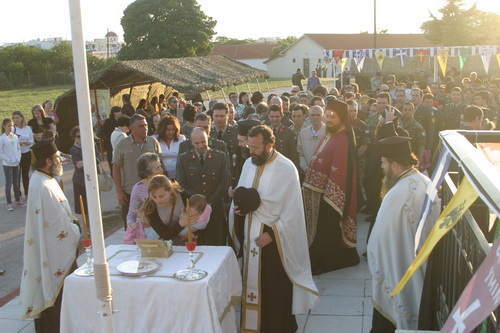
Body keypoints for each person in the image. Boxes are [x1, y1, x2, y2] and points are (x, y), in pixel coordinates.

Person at [229, 124, 319, 332]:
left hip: (274, 241)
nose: (250, 151)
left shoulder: (286, 169)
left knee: (274, 288)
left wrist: (272, 234)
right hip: (250, 234)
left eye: (255, 147)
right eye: (249, 146)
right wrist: (239, 210)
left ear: (269, 145)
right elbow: (243, 196)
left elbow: (293, 212)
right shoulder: (248, 164)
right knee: (252, 288)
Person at [367, 136, 439, 332]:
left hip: (399, 268)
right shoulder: (424, 180)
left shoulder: (397, 193)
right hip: (419, 265)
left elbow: (381, 239)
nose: (382, 167)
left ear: (395, 164)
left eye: (383, 163)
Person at [20, 139, 81, 333]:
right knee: (57, 298)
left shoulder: (44, 179)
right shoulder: (43, 186)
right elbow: (58, 226)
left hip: (54, 251)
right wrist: (76, 229)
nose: (61, 161)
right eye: (57, 158)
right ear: (48, 161)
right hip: (55, 255)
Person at [303, 99, 360, 274]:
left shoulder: (343, 139)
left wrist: (331, 197)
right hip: (319, 193)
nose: (328, 119)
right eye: (327, 115)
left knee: (328, 231)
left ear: (342, 118)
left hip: (330, 197)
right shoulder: (330, 133)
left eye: (332, 116)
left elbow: (340, 171)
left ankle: (325, 260)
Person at [176, 128, 229, 245]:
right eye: (197, 143)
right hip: (194, 212)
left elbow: (224, 182)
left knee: (215, 245)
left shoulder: (220, 157)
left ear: (208, 140)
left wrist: (209, 203)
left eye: (203, 142)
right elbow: (182, 184)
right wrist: (198, 203)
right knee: (196, 245)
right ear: (191, 143)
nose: (201, 146)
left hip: (215, 209)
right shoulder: (184, 159)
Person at [113, 114, 161, 230]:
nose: (145, 128)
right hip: (130, 193)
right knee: (131, 226)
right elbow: (116, 168)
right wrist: (119, 192)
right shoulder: (122, 144)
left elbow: (161, 165)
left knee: (154, 226)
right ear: (131, 128)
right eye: (140, 126)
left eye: (146, 125)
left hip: (152, 192)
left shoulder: (153, 142)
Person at [142, 175, 200, 241]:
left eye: (161, 196)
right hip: (165, 242)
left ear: (170, 190)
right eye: (154, 197)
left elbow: (200, 212)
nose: (158, 200)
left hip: (189, 238)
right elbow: (164, 235)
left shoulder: (183, 195)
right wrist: (180, 224)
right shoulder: (150, 207)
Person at [126, 153, 164, 240]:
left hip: (165, 229)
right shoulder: (138, 188)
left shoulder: (166, 184)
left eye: (160, 166)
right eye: (157, 168)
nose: (162, 170)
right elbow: (131, 214)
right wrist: (132, 225)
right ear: (148, 172)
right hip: (147, 233)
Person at [69, 126, 100, 218]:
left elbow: (98, 160)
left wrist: (84, 162)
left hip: (93, 179)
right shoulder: (73, 150)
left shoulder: (92, 145)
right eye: (78, 136)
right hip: (80, 181)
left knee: (95, 205)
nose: (81, 138)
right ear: (74, 138)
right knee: (83, 208)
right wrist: (89, 161)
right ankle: (88, 228)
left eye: (83, 135)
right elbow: (78, 165)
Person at [0, 118, 24, 211]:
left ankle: (18, 200)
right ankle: (9, 203)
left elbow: (18, 149)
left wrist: (18, 158)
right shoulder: (2, 138)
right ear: (4, 126)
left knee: (16, 183)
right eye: (8, 126)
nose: (10, 127)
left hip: (16, 163)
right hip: (8, 164)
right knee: (8, 184)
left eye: (12, 125)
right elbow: (1, 152)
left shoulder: (15, 137)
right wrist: (9, 159)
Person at [297, 105, 325, 174]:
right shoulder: (303, 133)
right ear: (309, 117)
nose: (315, 117)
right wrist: (305, 168)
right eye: (313, 115)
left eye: (318, 115)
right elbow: (300, 154)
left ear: (323, 117)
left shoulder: (329, 132)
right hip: (307, 172)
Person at [12, 111, 33, 201]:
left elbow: (32, 140)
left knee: (25, 174)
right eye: (14, 118)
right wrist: (18, 144)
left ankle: (27, 193)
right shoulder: (13, 129)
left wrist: (28, 143)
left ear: (22, 118)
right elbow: (11, 142)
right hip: (17, 154)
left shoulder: (28, 128)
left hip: (26, 153)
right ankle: (18, 195)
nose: (16, 120)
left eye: (17, 117)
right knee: (17, 175)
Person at [157, 114, 185, 179]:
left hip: (178, 175)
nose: (171, 132)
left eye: (173, 130)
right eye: (168, 130)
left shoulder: (181, 139)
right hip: (161, 176)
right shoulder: (156, 140)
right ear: (163, 130)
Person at [96, 106, 122, 173]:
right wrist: (107, 138)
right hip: (110, 144)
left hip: (120, 142)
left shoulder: (121, 120)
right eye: (118, 112)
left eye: (120, 111)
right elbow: (99, 133)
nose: (120, 113)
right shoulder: (108, 121)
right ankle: (113, 174)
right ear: (114, 113)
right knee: (111, 160)